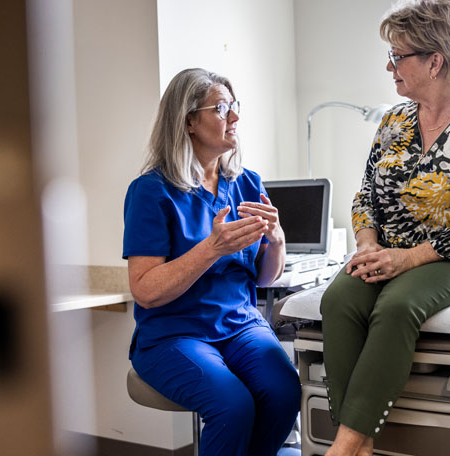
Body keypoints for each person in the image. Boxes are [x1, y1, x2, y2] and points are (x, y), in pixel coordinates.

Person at [319, 1, 450, 455]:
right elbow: (366, 195)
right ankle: (361, 442)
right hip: (391, 251)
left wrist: (406, 258)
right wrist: (368, 245)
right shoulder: (394, 121)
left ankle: (345, 446)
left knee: (397, 304)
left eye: (398, 56)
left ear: (435, 60)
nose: (389, 67)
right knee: (339, 298)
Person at [123, 68, 301, 456]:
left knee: (285, 391)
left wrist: (276, 239)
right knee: (233, 406)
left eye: (234, 107)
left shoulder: (247, 182)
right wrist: (211, 248)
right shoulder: (151, 191)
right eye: (222, 108)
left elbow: (266, 278)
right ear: (188, 121)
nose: (234, 117)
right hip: (174, 334)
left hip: (239, 325)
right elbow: (146, 291)